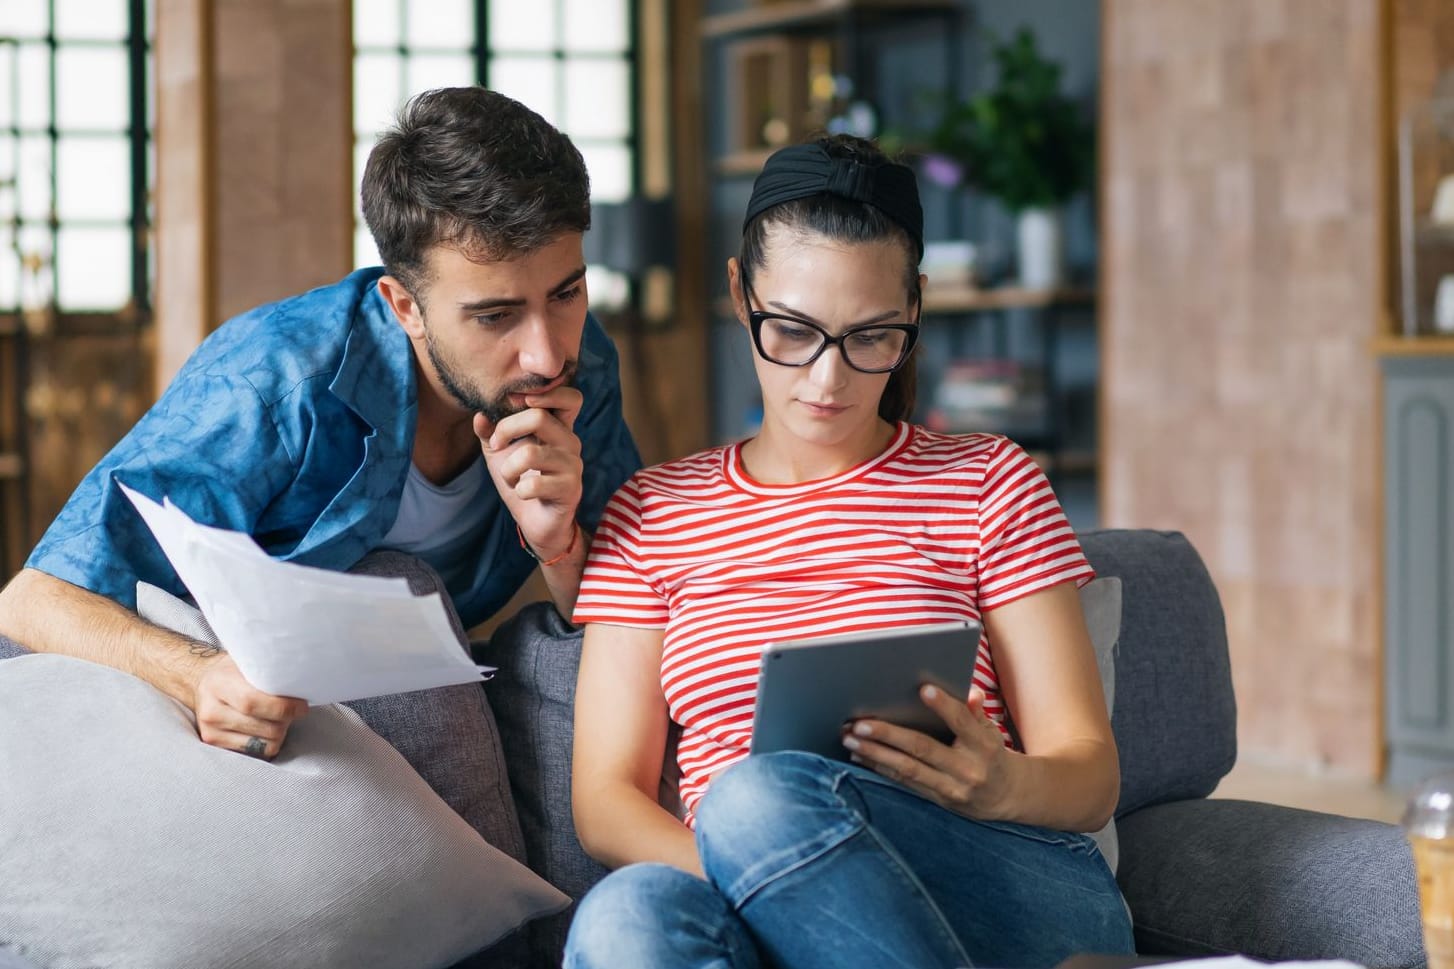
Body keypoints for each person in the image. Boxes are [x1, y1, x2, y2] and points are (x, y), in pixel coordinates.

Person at [564, 134, 1133, 969]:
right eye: (791, 330)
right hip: (756, 889)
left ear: (916, 310)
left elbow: (1090, 774)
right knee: (627, 918)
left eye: (871, 336)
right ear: (737, 291)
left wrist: (1003, 782)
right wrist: (760, 871)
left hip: (1004, 877)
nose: (828, 380)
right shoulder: (652, 512)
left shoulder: (987, 480)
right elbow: (605, 802)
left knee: (754, 795)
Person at [0, 87, 640, 762]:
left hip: (394, 687)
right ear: (405, 306)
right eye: (494, 316)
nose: (545, 353)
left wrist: (559, 543)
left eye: (566, 292)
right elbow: (33, 601)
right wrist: (197, 674)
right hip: (202, 691)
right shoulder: (276, 379)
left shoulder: (580, 364)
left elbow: (632, 610)